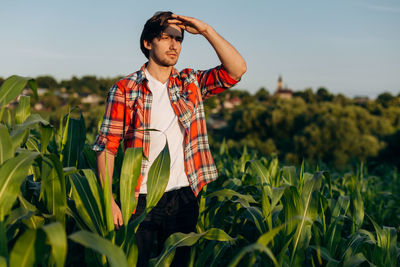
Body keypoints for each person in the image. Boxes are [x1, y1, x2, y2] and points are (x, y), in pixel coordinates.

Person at [93, 11, 246, 266]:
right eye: (165, 37)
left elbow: (237, 69)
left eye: (179, 39)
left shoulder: (191, 83)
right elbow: (106, 147)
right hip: (138, 199)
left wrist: (206, 30)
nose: (174, 45)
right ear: (147, 42)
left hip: (184, 197)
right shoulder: (125, 90)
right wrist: (108, 199)